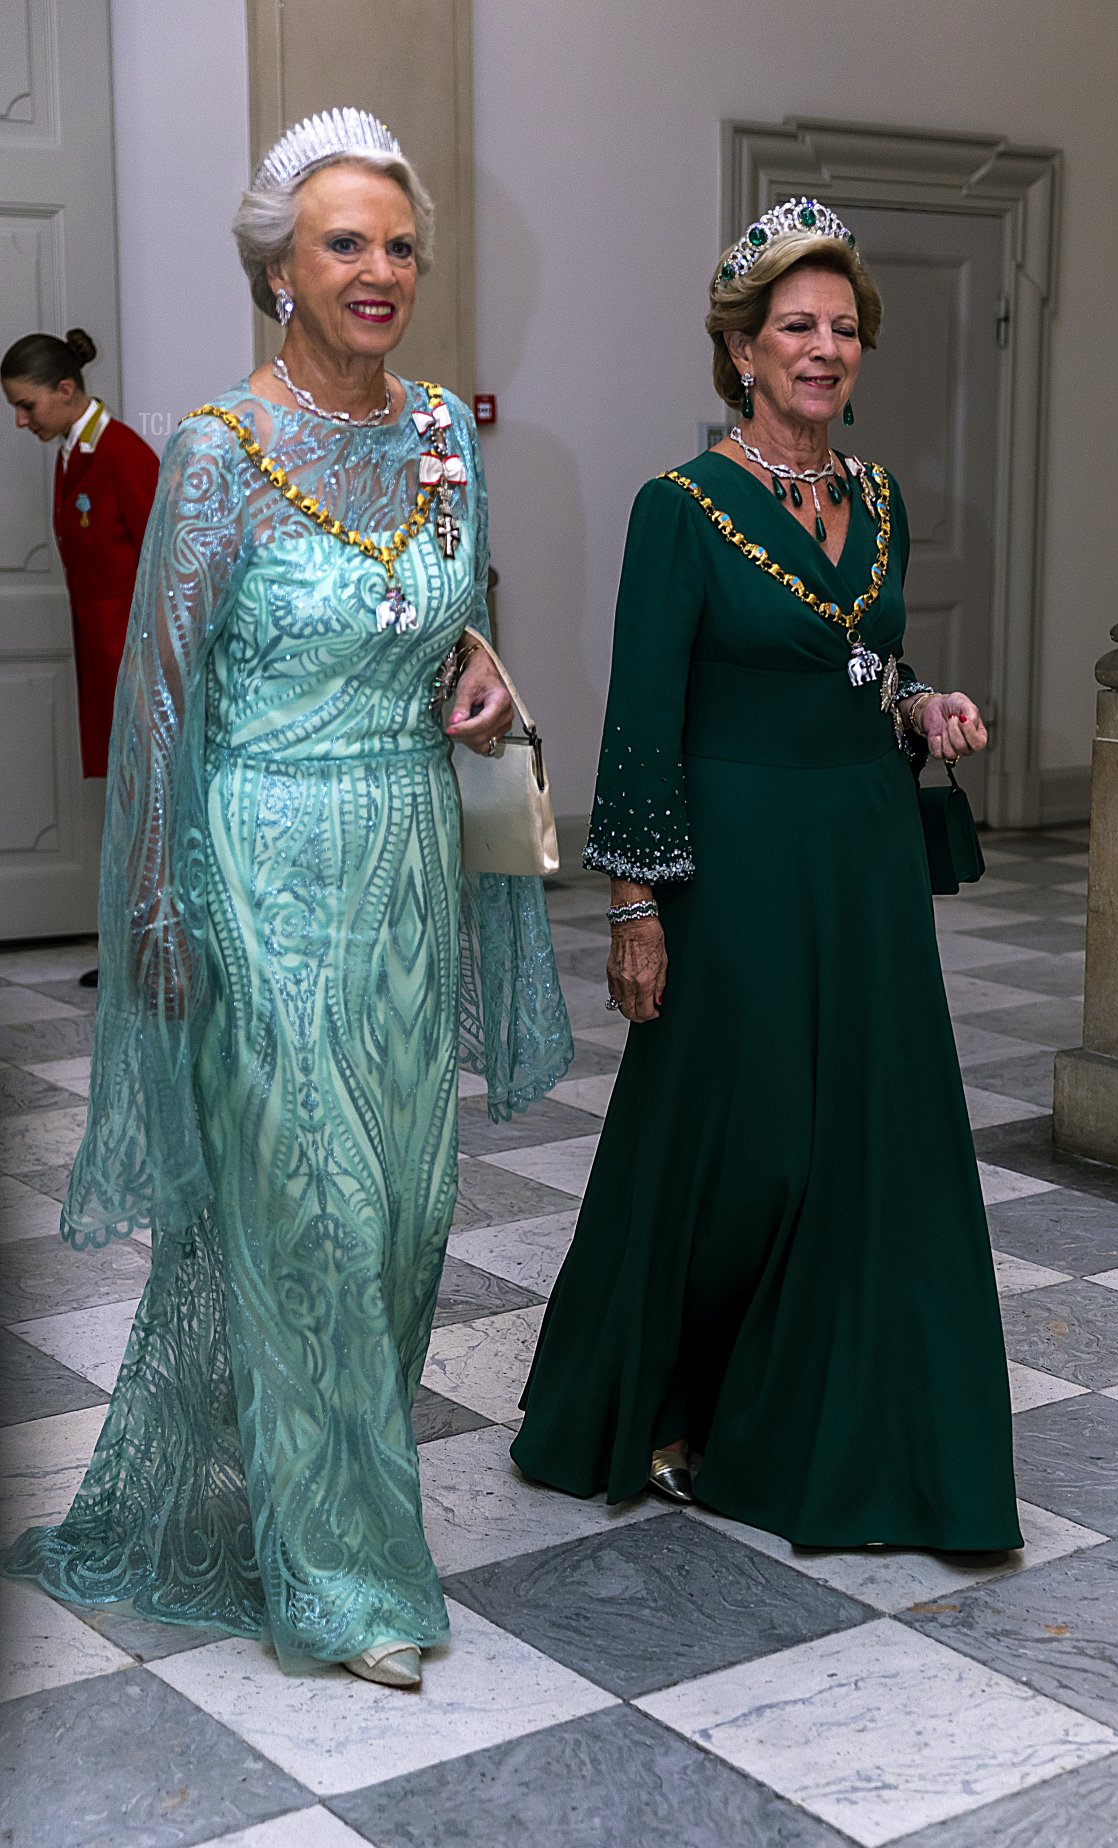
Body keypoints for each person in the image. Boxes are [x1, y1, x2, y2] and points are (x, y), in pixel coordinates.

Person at [4, 108, 572, 1689]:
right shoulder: (215, 452)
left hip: (403, 858)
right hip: (260, 862)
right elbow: (166, 702)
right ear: (279, 269)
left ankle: (311, 1495)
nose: (380, 270)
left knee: (401, 1221)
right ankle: (342, 1579)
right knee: (310, 1216)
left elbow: (448, 615)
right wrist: (160, 912)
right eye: (345, 243)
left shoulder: (449, 433)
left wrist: (482, 664)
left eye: (398, 244)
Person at [512, 198, 1020, 1554]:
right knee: (742, 1149)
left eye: (844, 328)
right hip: (730, 868)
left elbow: (865, 664)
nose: (824, 348)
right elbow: (641, 718)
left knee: (865, 1143)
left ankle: (834, 1421)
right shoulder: (679, 510)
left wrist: (921, 710)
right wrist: (634, 905)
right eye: (795, 326)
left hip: (859, 860)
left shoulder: (884, 498)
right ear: (740, 349)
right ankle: (666, 1389)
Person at [3, 329, 159, 985]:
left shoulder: (122, 452)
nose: (20, 420)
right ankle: (130, 949)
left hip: (138, 665)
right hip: (102, 661)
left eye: (27, 405)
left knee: (152, 802)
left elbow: (170, 565)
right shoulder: (73, 453)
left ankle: (154, 952)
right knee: (128, 802)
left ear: (65, 391)